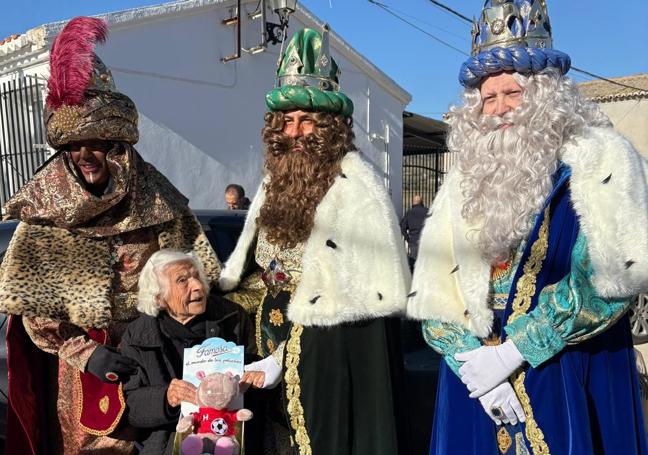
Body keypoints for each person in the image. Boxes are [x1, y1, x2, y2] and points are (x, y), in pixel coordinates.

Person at [406, 1, 648, 454]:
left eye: (511, 94)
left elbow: (611, 280)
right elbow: (436, 287)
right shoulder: (463, 180)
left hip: (566, 368)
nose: (499, 109)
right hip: (475, 380)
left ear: (543, 94)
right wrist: (473, 365)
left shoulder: (603, 160)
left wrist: (512, 352)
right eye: (488, 97)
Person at [0, 18, 221, 455]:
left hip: (159, 365)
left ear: (117, 144)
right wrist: (87, 354)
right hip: (84, 375)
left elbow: (200, 280)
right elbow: (33, 312)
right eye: (74, 146)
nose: (85, 156)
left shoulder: (158, 203)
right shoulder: (47, 213)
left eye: (97, 142)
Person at [220, 27, 411, 454]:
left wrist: (282, 360)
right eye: (287, 121)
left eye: (307, 120)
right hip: (260, 358)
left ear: (329, 126)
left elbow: (355, 312)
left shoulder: (357, 189)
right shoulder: (273, 184)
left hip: (325, 366)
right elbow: (257, 276)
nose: (296, 131)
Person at [121, 250, 254, 454]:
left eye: (197, 276)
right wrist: (166, 398)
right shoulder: (138, 336)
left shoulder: (232, 318)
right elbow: (129, 406)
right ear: (159, 298)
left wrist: (251, 379)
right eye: (183, 280)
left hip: (229, 438)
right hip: (167, 442)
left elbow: (256, 370)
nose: (198, 286)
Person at [400, 194, 427, 270]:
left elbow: (402, 227)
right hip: (426, 242)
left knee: (413, 265)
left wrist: (408, 239)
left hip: (413, 242)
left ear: (413, 203)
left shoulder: (409, 213)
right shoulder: (428, 212)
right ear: (422, 202)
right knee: (425, 265)